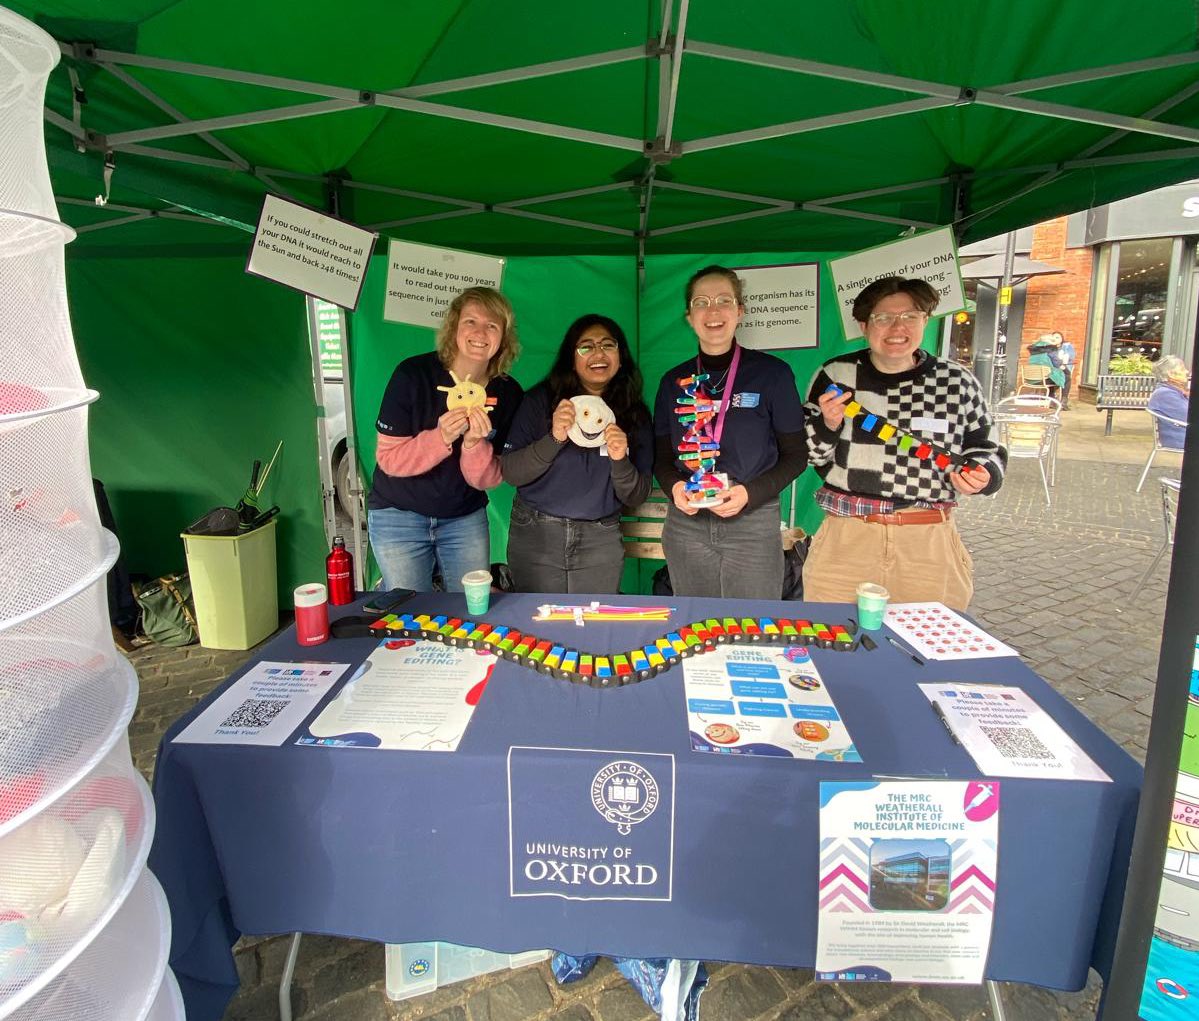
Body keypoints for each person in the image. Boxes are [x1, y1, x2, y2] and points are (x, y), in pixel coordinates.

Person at [802, 276, 1007, 611]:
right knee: (831, 640)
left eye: (910, 316)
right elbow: (810, 453)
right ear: (864, 325)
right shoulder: (835, 374)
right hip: (847, 537)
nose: (897, 327)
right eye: (883, 318)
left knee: (930, 648)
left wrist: (983, 473)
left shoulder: (957, 381)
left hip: (927, 540)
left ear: (925, 320)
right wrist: (828, 423)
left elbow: (987, 448)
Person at [653, 265, 807, 599]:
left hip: (751, 521)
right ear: (689, 317)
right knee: (694, 626)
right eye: (701, 302)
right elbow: (661, 456)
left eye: (724, 300)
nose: (713, 311)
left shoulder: (773, 374)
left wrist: (749, 494)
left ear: (739, 311)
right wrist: (675, 487)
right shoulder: (672, 382)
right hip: (687, 524)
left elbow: (796, 456)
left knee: (750, 625)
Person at [368, 287, 523, 592]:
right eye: (471, 322)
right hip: (398, 515)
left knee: (470, 610)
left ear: (503, 338)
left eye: (492, 325)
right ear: (454, 327)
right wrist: (441, 438)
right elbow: (388, 459)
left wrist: (473, 444)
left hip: (464, 519)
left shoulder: (507, 393)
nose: (480, 332)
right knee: (408, 613)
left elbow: (489, 478)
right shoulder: (412, 375)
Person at [501, 314, 653, 593]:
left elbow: (636, 495)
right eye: (586, 346)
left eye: (608, 345)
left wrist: (620, 459)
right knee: (536, 624)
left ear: (621, 358)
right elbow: (511, 472)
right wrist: (554, 438)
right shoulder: (540, 402)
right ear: (572, 358)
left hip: (599, 539)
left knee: (593, 626)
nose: (598, 353)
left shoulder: (635, 414)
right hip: (537, 534)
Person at [1148, 354, 1191, 450]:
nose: (1187, 372)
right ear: (1171, 374)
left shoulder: (1173, 391)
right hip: (1180, 439)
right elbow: (1189, 416)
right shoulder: (1165, 394)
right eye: (1182, 369)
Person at [1027, 334, 1066, 402]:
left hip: (1031, 379)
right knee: (1066, 375)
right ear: (1050, 341)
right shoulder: (1050, 348)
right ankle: (1063, 401)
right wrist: (1062, 363)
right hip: (1044, 379)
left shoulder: (1034, 350)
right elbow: (1057, 363)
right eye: (1053, 341)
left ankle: (1051, 398)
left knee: (1051, 374)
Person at [1051, 331, 1076, 409]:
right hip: (1052, 369)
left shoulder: (1066, 346)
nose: (1055, 339)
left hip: (1063, 367)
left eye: (1057, 337)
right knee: (1066, 377)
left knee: (1065, 375)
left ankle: (1063, 401)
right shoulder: (1050, 348)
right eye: (1054, 337)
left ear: (1062, 339)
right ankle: (1058, 400)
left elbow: (1070, 358)